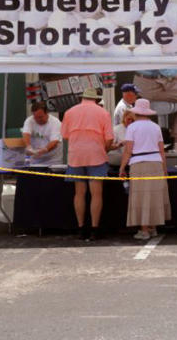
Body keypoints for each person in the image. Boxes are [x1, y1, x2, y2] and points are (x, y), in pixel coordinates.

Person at [61, 88, 113, 241]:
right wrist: (104, 148)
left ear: (81, 98)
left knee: (79, 193)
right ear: (96, 99)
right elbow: (109, 138)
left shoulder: (70, 112)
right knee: (96, 194)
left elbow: (65, 136)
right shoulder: (103, 113)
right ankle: (95, 229)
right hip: (96, 154)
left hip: (76, 155)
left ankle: (81, 228)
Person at [119, 99, 171, 240]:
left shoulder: (132, 128)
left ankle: (144, 230)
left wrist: (122, 167)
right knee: (154, 196)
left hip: (139, 163)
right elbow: (162, 151)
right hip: (156, 163)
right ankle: (153, 227)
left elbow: (128, 151)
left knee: (141, 197)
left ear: (136, 113)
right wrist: (164, 169)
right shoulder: (155, 127)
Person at [21, 101, 63, 167]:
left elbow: (54, 142)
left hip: (53, 161)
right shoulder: (29, 121)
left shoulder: (55, 123)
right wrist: (28, 147)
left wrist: (44, 150)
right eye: (35, 117)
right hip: (35, 161)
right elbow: (26, 134)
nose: (38, 119)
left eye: (40, 117)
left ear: (47, 113)